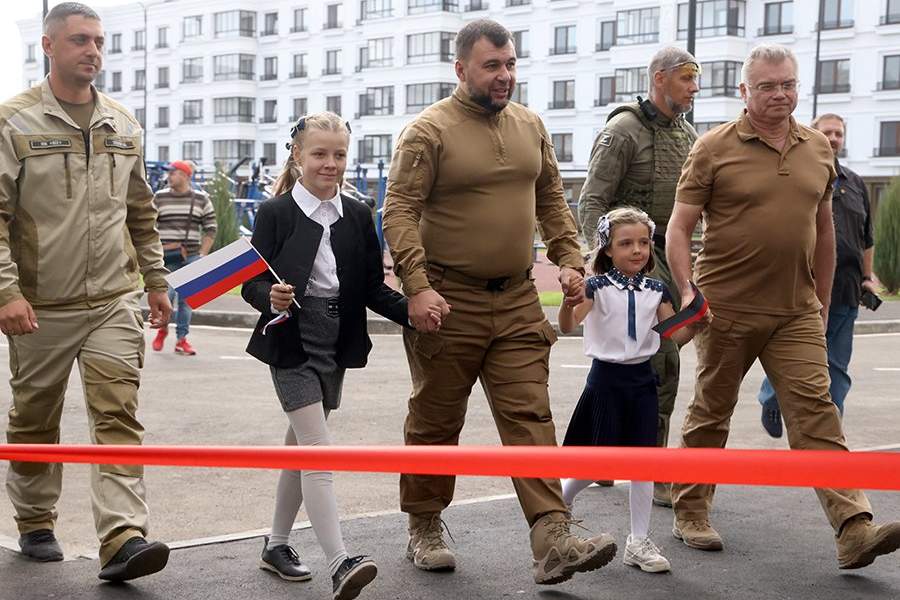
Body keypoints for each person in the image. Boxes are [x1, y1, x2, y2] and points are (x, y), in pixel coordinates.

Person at [383, 18, 617, 585]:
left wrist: (568, 257)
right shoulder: (428, 131)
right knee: (437, 421)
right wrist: (416, 286)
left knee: (530, 416)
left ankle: (553, 538)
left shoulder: (529, 125)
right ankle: (424, 524)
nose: (505, 75)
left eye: (510, 64)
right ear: (461, 68)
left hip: (515, 301)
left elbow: (552, 199)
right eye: (493, 65)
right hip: (448, 300)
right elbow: (399, 211)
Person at [665, 43, 900, 567]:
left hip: (794, 311)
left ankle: (853, 527)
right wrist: (687, 290)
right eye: (767, 86)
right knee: (711, 413)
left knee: (817, 414)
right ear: (744, 91)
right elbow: (679, 227)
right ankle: (691, 511)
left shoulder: (818, 148)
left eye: (788, 84)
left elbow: (824, 230)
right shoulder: (712, 147)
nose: (780, 94)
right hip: (726, 308)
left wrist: (819, 300)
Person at [0, 2, 172, 581]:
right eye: (79, 40)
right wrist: (6, 292)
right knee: (35, 416)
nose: (92, 51)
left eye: (98, 41)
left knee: (117, 413)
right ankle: (35, 519)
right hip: (41, 305)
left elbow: (141, 214)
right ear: (48, 46)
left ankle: (123, 537)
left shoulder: (122, 124)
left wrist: (155, 282)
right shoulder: (14, 123)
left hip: (112, 301)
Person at [241, 111, 425, 600]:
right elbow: (251, 283)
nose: (330, 163)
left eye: (339, 154)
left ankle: (276, 545)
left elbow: (369, 288)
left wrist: (414, 312)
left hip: (335, 342)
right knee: (319, 453)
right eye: (319, 154)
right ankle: (340, 560)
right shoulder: (276, 213)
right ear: (297, 156)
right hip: (291, 341)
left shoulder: (360, 214)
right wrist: (270, 298)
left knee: (300, 448)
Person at [577, 47, 700, 507]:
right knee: (625, 365)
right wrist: (600, 264)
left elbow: (694, 210)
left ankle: (639, 462)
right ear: (660, 79)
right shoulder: (623, 131)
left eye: (696, 78)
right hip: (626, 259)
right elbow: (592, 202)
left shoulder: (688, 136)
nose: (694, 86)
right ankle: (621, 459)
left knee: (660, 361)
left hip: (668, 258)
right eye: (687, 77)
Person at [559, 207, 704, 575]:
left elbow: (673, 336)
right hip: (606, 381)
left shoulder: (657, 290)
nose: (637, 250)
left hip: (643, 382)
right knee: (597, 462)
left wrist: (698, 322)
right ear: (607, 249)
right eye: (626, 243)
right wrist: (568, 301)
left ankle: (638, 542)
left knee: (644, 462)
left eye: (643, 242)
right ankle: (557, 512)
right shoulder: (595, 287)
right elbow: (567, 325)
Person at [758, 112, 879, 437]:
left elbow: (867, 236)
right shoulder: (794, 175)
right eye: (828, 132)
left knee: (837, 368)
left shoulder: (854, 182)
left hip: (846, 291)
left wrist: (868, 277)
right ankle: (771, 397)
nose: (834, 138)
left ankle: (831, 431)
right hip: (801, 287)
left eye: (839, 133)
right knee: (789, 355)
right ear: (812, 134)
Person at [151, 159, 216, 356]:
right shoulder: (159, 198)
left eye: (174, 172)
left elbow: (211, 227)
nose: (169, 176)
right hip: (166, 256)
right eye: (169, 173)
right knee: (167, 295)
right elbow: (148, 226)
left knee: (186, 301)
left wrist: (204, 254)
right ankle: (163, 329)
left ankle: (181, 339)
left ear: (186, 176)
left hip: (192, 256)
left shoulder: (201, 199)